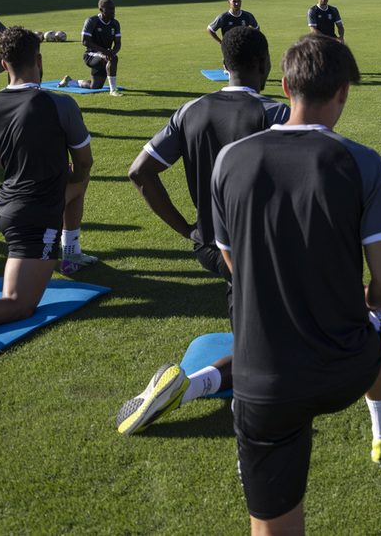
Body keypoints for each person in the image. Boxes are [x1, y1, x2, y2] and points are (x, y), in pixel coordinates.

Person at [211, 34, 381, 533]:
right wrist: (368, 303)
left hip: (262, 382)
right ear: (343, 92)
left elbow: (231, 259)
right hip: (343, 367)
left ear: (284, 86)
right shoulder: (361, 161)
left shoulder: (229, 159)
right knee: (380, 319)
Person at [118, 27, 288, 435]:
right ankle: (187, 387)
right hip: (258, 253)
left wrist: (187, 231)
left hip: (209, 247)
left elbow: (139, 172)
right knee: (276, 355)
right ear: (264, 64)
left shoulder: (190, 110)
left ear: (224, 65)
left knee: (269, 333)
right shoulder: (275, 113)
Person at [0, 27, 96, 329]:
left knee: (77, 185)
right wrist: (64, 172)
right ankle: (64, 250)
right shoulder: (61, 103)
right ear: (39, 60)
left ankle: (71, 253)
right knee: (18, 305)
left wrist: (29, 168)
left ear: (4, 64)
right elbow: (84, 162)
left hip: (5, 206)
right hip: (34, 218)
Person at [59, 0, 123, 96]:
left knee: (96, 86)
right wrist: (105, 52)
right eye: (109, 9)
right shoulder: (92, 21)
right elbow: (84, 41)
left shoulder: (115, 23)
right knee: (112, 58)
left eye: (113, 9)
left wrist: (112, 51)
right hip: (90, 55)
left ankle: (70, 81)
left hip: (104, 55)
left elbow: (118, 43)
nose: (112, 11)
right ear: (101, 10)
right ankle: (113, 90)